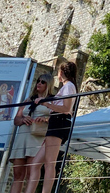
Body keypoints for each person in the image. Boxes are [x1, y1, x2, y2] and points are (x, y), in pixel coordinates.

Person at [27, 62, 77, 193]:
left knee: (50, 163)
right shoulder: (67, 87)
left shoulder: (69, 86)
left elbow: (66, 109)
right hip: (56, 122)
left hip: (59, 123)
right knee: (36, 163)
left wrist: (47, 104)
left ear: (62, 73)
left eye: (58, 72)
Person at [9, 74, 55, 193]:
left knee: (31, 173)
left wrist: (45, 120)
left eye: (43, 82)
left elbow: (57, 119)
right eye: (38, 81)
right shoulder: (29, 100)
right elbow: (16, 120)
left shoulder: (52, 100)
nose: (39, 83)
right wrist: (23, 119)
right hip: (22, 136)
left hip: (37, 138)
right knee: (17, 174)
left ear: (48, 84)